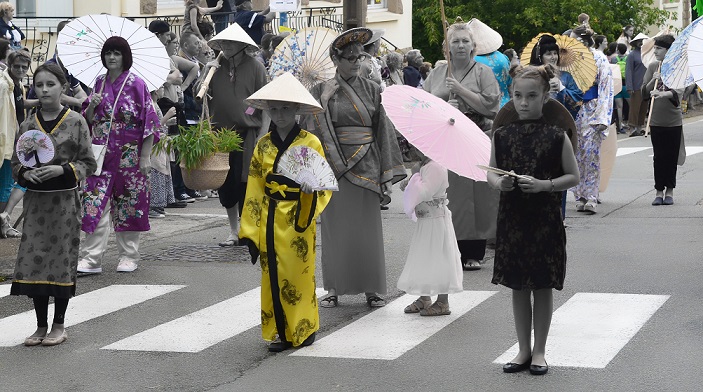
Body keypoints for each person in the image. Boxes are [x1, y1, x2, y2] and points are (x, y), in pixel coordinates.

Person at [489, 64, 579, 375]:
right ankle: (523, 349)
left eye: (531, 96)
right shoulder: (501, 135)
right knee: (517, 287)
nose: (524, 102)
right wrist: (501, 183)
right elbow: (491, 172)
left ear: (545, 97)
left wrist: (545, 185)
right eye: (517, 96)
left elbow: (573, 175)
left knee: (541, 286)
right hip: (512, 219)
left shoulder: (557, 136)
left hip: (544, 220)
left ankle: (540, 350)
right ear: (511, 97)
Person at [305, 27, 406, 308]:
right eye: (349, 58)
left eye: (359, 57)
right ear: (335, 59)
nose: (355, 62)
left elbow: (382, 130)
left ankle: (372, 288)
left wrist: (388, 172)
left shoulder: (373, 89)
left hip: (368, 163)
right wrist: (323, 102)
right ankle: (334, 288)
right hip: (333, 166)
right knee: (335, 231)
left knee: (367, 231)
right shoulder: (319, 89)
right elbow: (310, 128)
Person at [239, 72, 332, 352]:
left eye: (285, 109)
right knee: (271, 276)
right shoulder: (263, 145)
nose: (279, 115)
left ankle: (304, 328)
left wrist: (309, 190)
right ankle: (279, 331)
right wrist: (250, 229)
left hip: (297, 217)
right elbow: (255, 187)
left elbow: (323, 185)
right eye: (275, 109)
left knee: (298, 272)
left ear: (296, 110)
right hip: (269, 216)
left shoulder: (310, 143)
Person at [10, 63, 97, 346]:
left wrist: (63, 170)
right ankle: (40, 326)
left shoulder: (76, 121)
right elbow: (15, 164)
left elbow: (89, 162)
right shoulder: (27, 124)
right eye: (39, 85)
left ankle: (59, 325)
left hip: (64, 204)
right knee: (35, 259)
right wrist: (25, 173)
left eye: (50, 84)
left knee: (60, 260)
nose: (44, 90)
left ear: (62, 87)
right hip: (36, 204)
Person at [77, 36, 161, 274]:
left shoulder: (137, 84)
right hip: (101, 152)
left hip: (129, 154)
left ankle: (129, 256)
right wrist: (92, 104)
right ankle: (91, 258)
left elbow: (150, 123)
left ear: (125, 57)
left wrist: (145, 157)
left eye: (116, 53)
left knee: (129, 204)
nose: (111, 57)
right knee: (94, 203)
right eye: (108, 53)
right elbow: (88, 119)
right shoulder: (99, 83)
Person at [423, 22, 501, 271]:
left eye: (465, 41)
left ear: (473, 46)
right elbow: (424, 104)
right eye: (455, 41)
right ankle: (448, 247)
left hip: (475, 136)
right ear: (447, 46)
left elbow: (491, 107)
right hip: (446, 140)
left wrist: (461, 91)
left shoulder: (483, 72)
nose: (460, 45)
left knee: (476, 195)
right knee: (449, 194)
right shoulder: (437, 73)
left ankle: (473, 252)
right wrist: (444, 105)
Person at [198, 23, 268, 247]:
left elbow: (266, 104)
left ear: (241, 45)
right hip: (221, 135)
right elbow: (199, 96)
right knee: (226, 184)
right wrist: (204, 73)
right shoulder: (215, 67)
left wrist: (263, 134)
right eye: (223, 43)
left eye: (230, 43)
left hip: (248, 132)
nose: (225, 46)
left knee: (248, 183)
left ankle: (248, 229)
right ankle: (233, 230)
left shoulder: (256, 67)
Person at [397, 150, 463, 316]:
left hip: (436, 221)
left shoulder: (435, 166)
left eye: (413, 145)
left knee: (439, 258)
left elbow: (425, 192)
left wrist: (413, 180)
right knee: (424, 257)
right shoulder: (425, 165)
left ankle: (442, 301)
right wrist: (413, 180)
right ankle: (424, 297)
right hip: (426, 221)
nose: (410, 148)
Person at [570, 25, 614, 214]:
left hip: (593, 107)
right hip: (574, 107)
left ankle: (592, 196)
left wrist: (602, 115)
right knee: (575, 152)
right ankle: (579, 195)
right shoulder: (569, 60)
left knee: (591, 154)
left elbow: (605, 87)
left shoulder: (599, 58)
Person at [643, 35, 682, 206]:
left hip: (673, 120)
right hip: (656, 120)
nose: (656, 51)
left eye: (659, 49)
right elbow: (644, 92)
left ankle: (670, 191)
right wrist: (654, 79)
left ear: (668, 50)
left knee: (671, 157)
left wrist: (663, 93)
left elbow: (679, 93)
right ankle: (659, 190)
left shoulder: (676, 67)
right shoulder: (652, 66)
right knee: (659, 157)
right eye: (655, 48)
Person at [0, 49, 30, 238]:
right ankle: (3, 224)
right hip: (7, 143)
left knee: (16, 181)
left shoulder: (17, 85)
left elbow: (21, 106)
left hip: (15, 142)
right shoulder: (5, 86)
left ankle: (4, 219)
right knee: (7, 185)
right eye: (16, 66)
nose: (20, 69)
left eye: (23, 67)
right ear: (9, 65)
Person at [470, 18, 511, 108]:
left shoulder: (472, 61)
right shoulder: (503, 58)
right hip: (506, 105)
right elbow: (509, 83)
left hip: (486, 108)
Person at [626, 33, 649, 137]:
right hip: (636, 85)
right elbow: (628, 71)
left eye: (643, 41)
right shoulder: (632, 55)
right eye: (639, 41)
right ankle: (632, 128)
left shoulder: (647, 54)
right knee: (635, 108)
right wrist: (629, 86)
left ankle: (640, 127)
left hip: (646, 84)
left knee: (644, 107)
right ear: (635, 43)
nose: (641, 43)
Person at [611, 43, 630, 134]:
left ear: (617, 50)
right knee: (631, 105)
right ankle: (630, 123)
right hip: (626, 85)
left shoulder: (614, 59)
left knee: (619, 107)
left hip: (617, 84)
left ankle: (620, 125)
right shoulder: (628, 58)